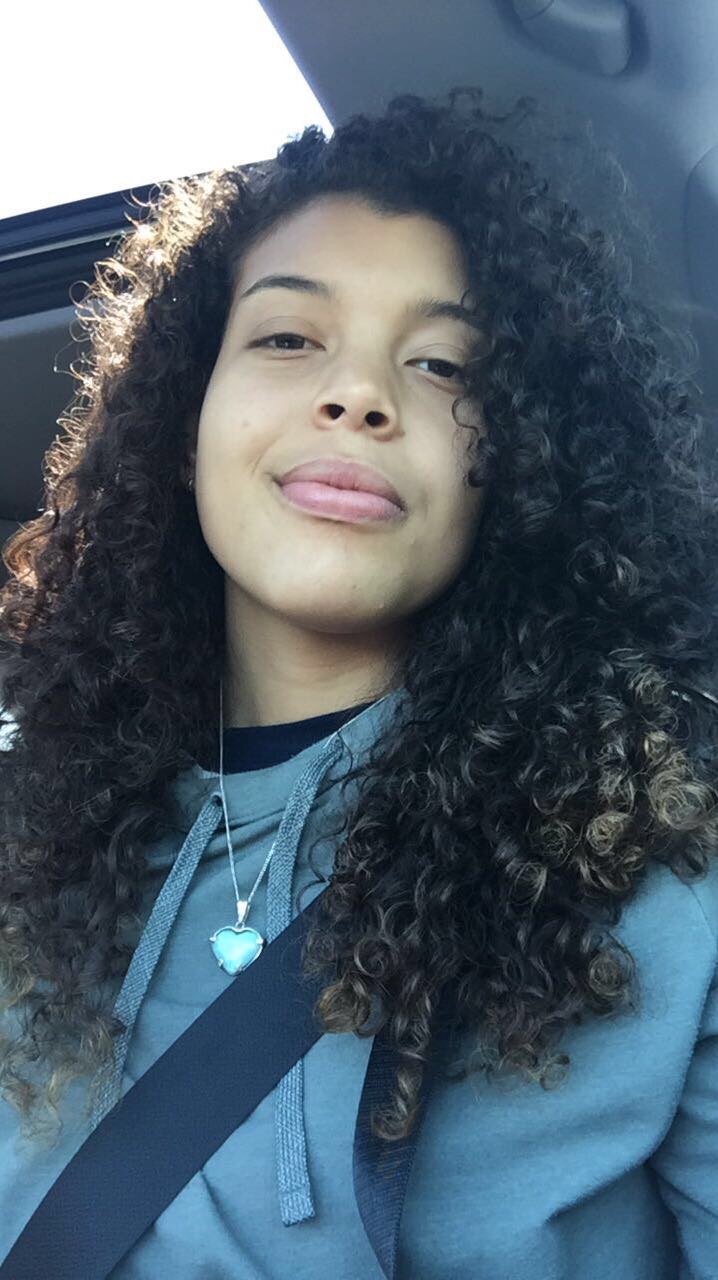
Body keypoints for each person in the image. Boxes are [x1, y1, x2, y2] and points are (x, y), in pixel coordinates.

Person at [0, 85, 717, 1279]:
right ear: (186, 421)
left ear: (521, 463)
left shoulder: (664, 857)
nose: (359, 395)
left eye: (441, 363)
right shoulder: (23, 807)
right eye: (288, 338)